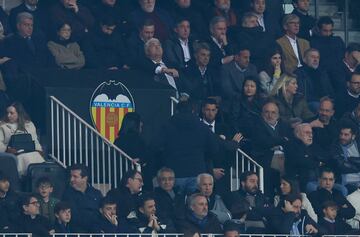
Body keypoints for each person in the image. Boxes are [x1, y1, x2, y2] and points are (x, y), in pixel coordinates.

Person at [154, 100, 219, 194]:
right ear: (193, 111)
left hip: (175, 172)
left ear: (177, 111)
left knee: (176, 204)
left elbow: (155, 146)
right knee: (195, 204)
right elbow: (214, 149)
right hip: (197, 172)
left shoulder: (167, 127)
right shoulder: (202, 127)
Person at [251, 101, 292, 195]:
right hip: (264, 159)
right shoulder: (257, 126)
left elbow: (289, 142)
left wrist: (276, 143)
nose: (270, 115)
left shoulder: (284, 126)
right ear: (262, 114)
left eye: (273, 112)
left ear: (278, 115)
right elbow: (263, 142)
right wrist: (281, 140)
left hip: (284, 159)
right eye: (267, 112)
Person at [0, 102, 45, 176]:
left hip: (29, 151)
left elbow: (35, 140)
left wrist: (39, 150)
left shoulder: (29, 125)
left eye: (11, 113)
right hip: (14, 153)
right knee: (26, 158)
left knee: (35, 155)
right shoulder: (2, 125)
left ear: (19, 113)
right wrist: (7, 150)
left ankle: (37, 179)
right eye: (7, 113)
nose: (8, 115)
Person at [285, 123, 329, 191]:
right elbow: (300, 161)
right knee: (319, 190)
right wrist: (317, 163)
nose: (311, 135)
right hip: (302, 181)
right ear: (297, 134)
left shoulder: (313, 146)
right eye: (307, 132)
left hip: (319, 179)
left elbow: (325, 157)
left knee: (341, 189)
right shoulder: (291, 145)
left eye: (311, 133)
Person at [113, 112, 152, 190]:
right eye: (139, 121)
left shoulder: (118, 141)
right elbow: (147, 156)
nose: (142, 124)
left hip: (121, 177)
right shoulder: (140, 141)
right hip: (139, 177)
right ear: (135, 124)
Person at [62, 163, 103, 231]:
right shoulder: (67, 194)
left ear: (85, 178)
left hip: (95, 232)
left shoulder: (97, 193)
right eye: (71, 176)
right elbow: (72, 216)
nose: (71, 179)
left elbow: (101, 212)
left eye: (75, 176)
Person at [221, 46, 258, 112]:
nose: (248, 60)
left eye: (249, 57)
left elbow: (257, 87)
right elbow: (227, 91)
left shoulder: (252, 68)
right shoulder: (226, 69)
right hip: (232, 103)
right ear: (237, 57)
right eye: (245, 57)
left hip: (251, 102)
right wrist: (245, 97)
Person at [331, 122, 360, 186]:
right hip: (344, 179)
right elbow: (341, 166)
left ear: (353, 136)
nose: (342, 137)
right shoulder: (335, 146)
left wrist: (351, 161)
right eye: (341, 134)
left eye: (346, 135)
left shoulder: (358, 144)